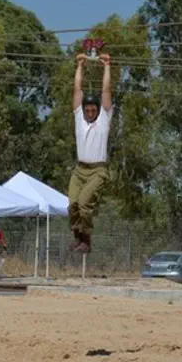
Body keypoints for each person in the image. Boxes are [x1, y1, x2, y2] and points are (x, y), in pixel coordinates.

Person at [68, 52, 114, 253]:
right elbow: (77, 90)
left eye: (92, 110)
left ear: (97, 109)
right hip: (79, 170)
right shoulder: (79, 117)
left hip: (97, 170)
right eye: (87, 109)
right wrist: (80, 65)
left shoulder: (104, 119)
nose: (89, 113)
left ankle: (86, 240)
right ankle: (79, 237)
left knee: (85, 204)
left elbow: (106, 91)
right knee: (72, 205)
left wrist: (106, 66)